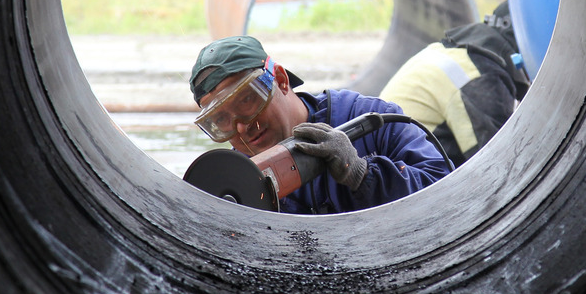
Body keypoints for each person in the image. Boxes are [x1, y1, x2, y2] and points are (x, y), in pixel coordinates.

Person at [189, 35, 451, 214]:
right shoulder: (237, 182)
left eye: (247, 100)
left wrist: (362, 174)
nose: (242, 128)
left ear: (280, 80)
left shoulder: (373, 119)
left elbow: (447, 195)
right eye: (221, 120)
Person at [378, 0, 529, 168]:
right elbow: (497, 164)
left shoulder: (455, 52)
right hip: (402, 174)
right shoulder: (479, 76)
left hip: (388, 166)